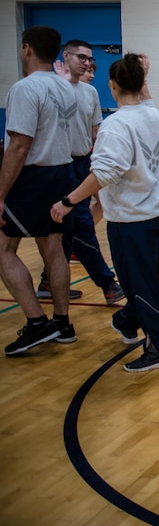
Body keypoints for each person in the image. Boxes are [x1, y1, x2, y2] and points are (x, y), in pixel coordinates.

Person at [51, 54, 159, 372]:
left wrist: (68, 202)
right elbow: (145, 99)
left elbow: (103, 174)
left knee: (143, 283)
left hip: (133, 218)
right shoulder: (153, 115)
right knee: (143, 280)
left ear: (111, 85)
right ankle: (126, 319)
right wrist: (143, 75)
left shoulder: (115, 126)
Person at [0, 26, 77, 355]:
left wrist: (0, 193)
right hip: (62, 172)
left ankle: (36, 323)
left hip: (31, 176)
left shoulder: (25, 89)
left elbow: (19, 145)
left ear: (27, 49)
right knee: (53, 248)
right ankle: (62, 322)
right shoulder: (67, 88)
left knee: (2, 250)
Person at [38, 40, 123, 305]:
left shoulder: (89, 93)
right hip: (58, 166)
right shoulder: (51, 89)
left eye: (89, 59)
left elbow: (95, 130)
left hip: (83, 162)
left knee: (67, 227)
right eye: (81, 57)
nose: (87, 63)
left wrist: (98, 163)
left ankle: (47, 281)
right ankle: (108, 283)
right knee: (82, 224)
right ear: (66, 56)